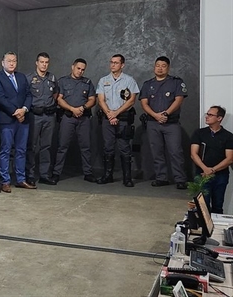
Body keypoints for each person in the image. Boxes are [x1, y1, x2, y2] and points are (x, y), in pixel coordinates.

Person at [139, 56, 188, 189]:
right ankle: (161, 178)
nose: (160, 68)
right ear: (154, 67)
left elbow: (178, 100)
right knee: (156, 152)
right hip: (153, 123)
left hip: (171, 123)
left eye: (163, 65)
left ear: (168, 67)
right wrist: (156, 115)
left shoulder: (176, 82)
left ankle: (180, 179)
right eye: (157, 65)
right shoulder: (148, 84)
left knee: (175, 152)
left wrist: (166, 114)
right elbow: (144, 103)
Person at [0, 52, 34, 193]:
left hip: (23, 119)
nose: (11, 63)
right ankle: (5, 181)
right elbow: (0, 98)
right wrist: (16, 112)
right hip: (7, 120)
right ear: (2, 62)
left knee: (21, 150)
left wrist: (24, 110)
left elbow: (28, 94)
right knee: (6, 150)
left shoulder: (21, 77)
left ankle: (21, 179)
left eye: (14, 61)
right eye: (9, 61)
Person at [95, 54, 140, 187]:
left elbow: (131, 100)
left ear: (122, 65)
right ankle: (108, 175)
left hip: (123, 119)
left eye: (116, 63)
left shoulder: (129, 80)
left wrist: (116, 113)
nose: (113, 65)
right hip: (107, 119)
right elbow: (101, 99)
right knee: (108, 148)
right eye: (111, 62)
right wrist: (109, 114)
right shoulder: (103, 80)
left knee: (125, 148)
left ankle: (127, 178)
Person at [51, 58, 97, 184]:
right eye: (78, 68)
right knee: (62, 146)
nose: (80, 71)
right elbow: (59, 99)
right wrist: (72, 109)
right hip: (68, 117)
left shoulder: (87, 82)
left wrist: (82, 108)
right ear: (73, 67)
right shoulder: (63, 81)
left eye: (83, 70)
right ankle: (56, 173)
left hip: (84, 118)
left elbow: (92, 99)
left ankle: (88, 173)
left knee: (86, 147)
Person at [190, 106, 233, 213]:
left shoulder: (228, 136)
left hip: (220, 175)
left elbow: (229, 158)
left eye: (210, 115)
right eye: (207, 114)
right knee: (202, 207)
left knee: (218, 205)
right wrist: (205, 169)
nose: (207, 117)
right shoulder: (199, 133)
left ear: (219, 118)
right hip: (202, 174)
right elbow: (193, 154)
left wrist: (212, 170)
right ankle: (205, 229)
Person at [25, 52, 58, 186]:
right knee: (32, 146)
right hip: (35, 116)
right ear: (37, 63)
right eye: (42, 62)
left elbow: (55, 94)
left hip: (49, 116)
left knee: (47, 146)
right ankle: (30, 175)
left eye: (46, 62)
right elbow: (25, 96)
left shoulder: (52, 77)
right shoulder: (29, 78)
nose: (44, 65)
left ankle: (44, 174)